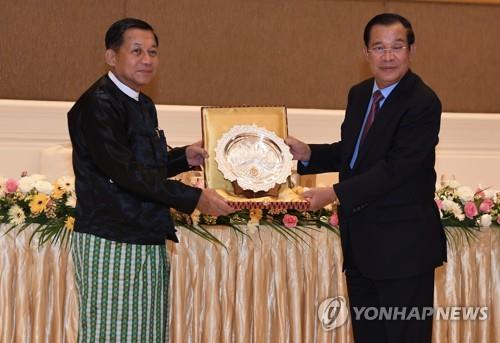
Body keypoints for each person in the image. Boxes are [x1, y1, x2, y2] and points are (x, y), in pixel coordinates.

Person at [67, 18, 233, 342]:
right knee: (111, 335)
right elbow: (126, 173)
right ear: (111, 57)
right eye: (137, 51)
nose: (147, 59)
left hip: (146, 236)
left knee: (147, 333)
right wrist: (194, 198)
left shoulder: (142, 103)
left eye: (153, 52)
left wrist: (184, 157)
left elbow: (145, 164)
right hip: (111, 239)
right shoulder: (97, 105)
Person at [286, 13, 447, 343]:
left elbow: (396, 168)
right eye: (379, 48)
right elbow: (356, 151)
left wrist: (333, 193)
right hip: (361, 246)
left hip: (404, 250)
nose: (388, 56)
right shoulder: (360, 94)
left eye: (397, 47)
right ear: (366, 53)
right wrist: (308, 155)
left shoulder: (423, 102)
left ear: (411, 51)